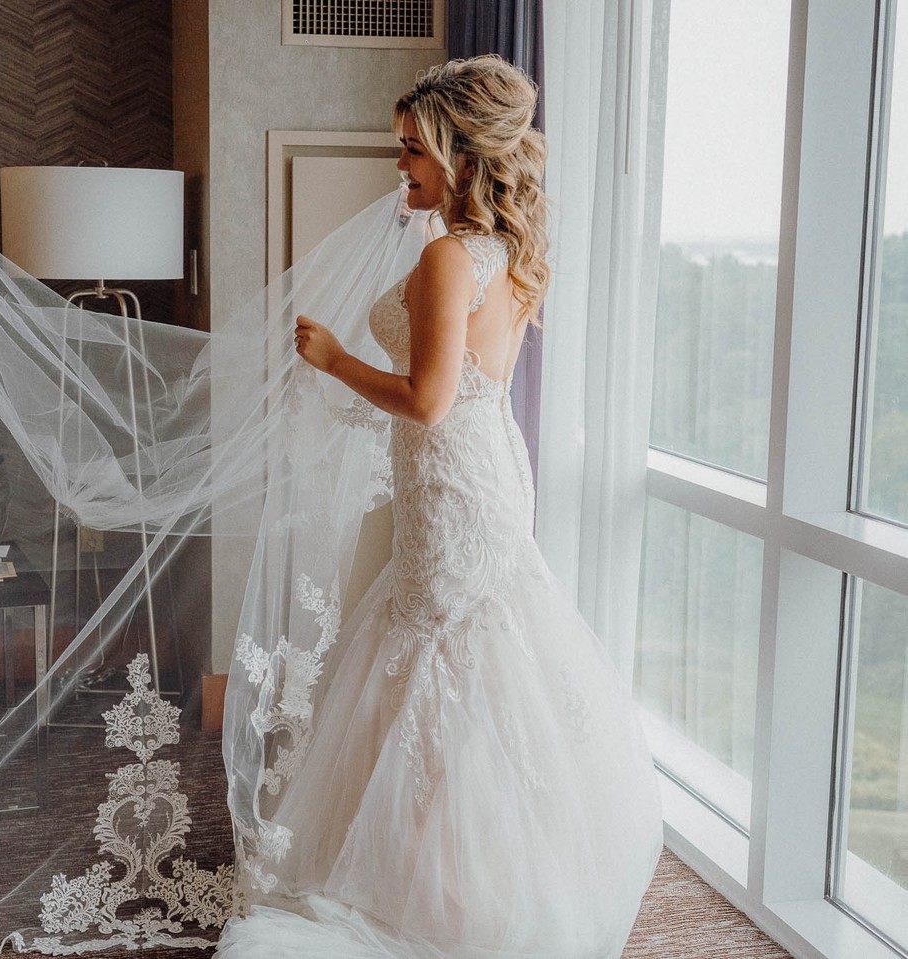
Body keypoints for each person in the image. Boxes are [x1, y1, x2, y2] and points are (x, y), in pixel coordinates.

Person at [217, 55, 664, 957]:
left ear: (461, 158)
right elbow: (472, 390)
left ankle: (439, 887)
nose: (400, 169)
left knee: (444, 645)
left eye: (412, 151)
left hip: (454, 474)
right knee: (468, 645)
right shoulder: (507, 251)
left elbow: (426, 399)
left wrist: (335, 358)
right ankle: (464, 864)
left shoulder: (447, 256)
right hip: (484, 465)